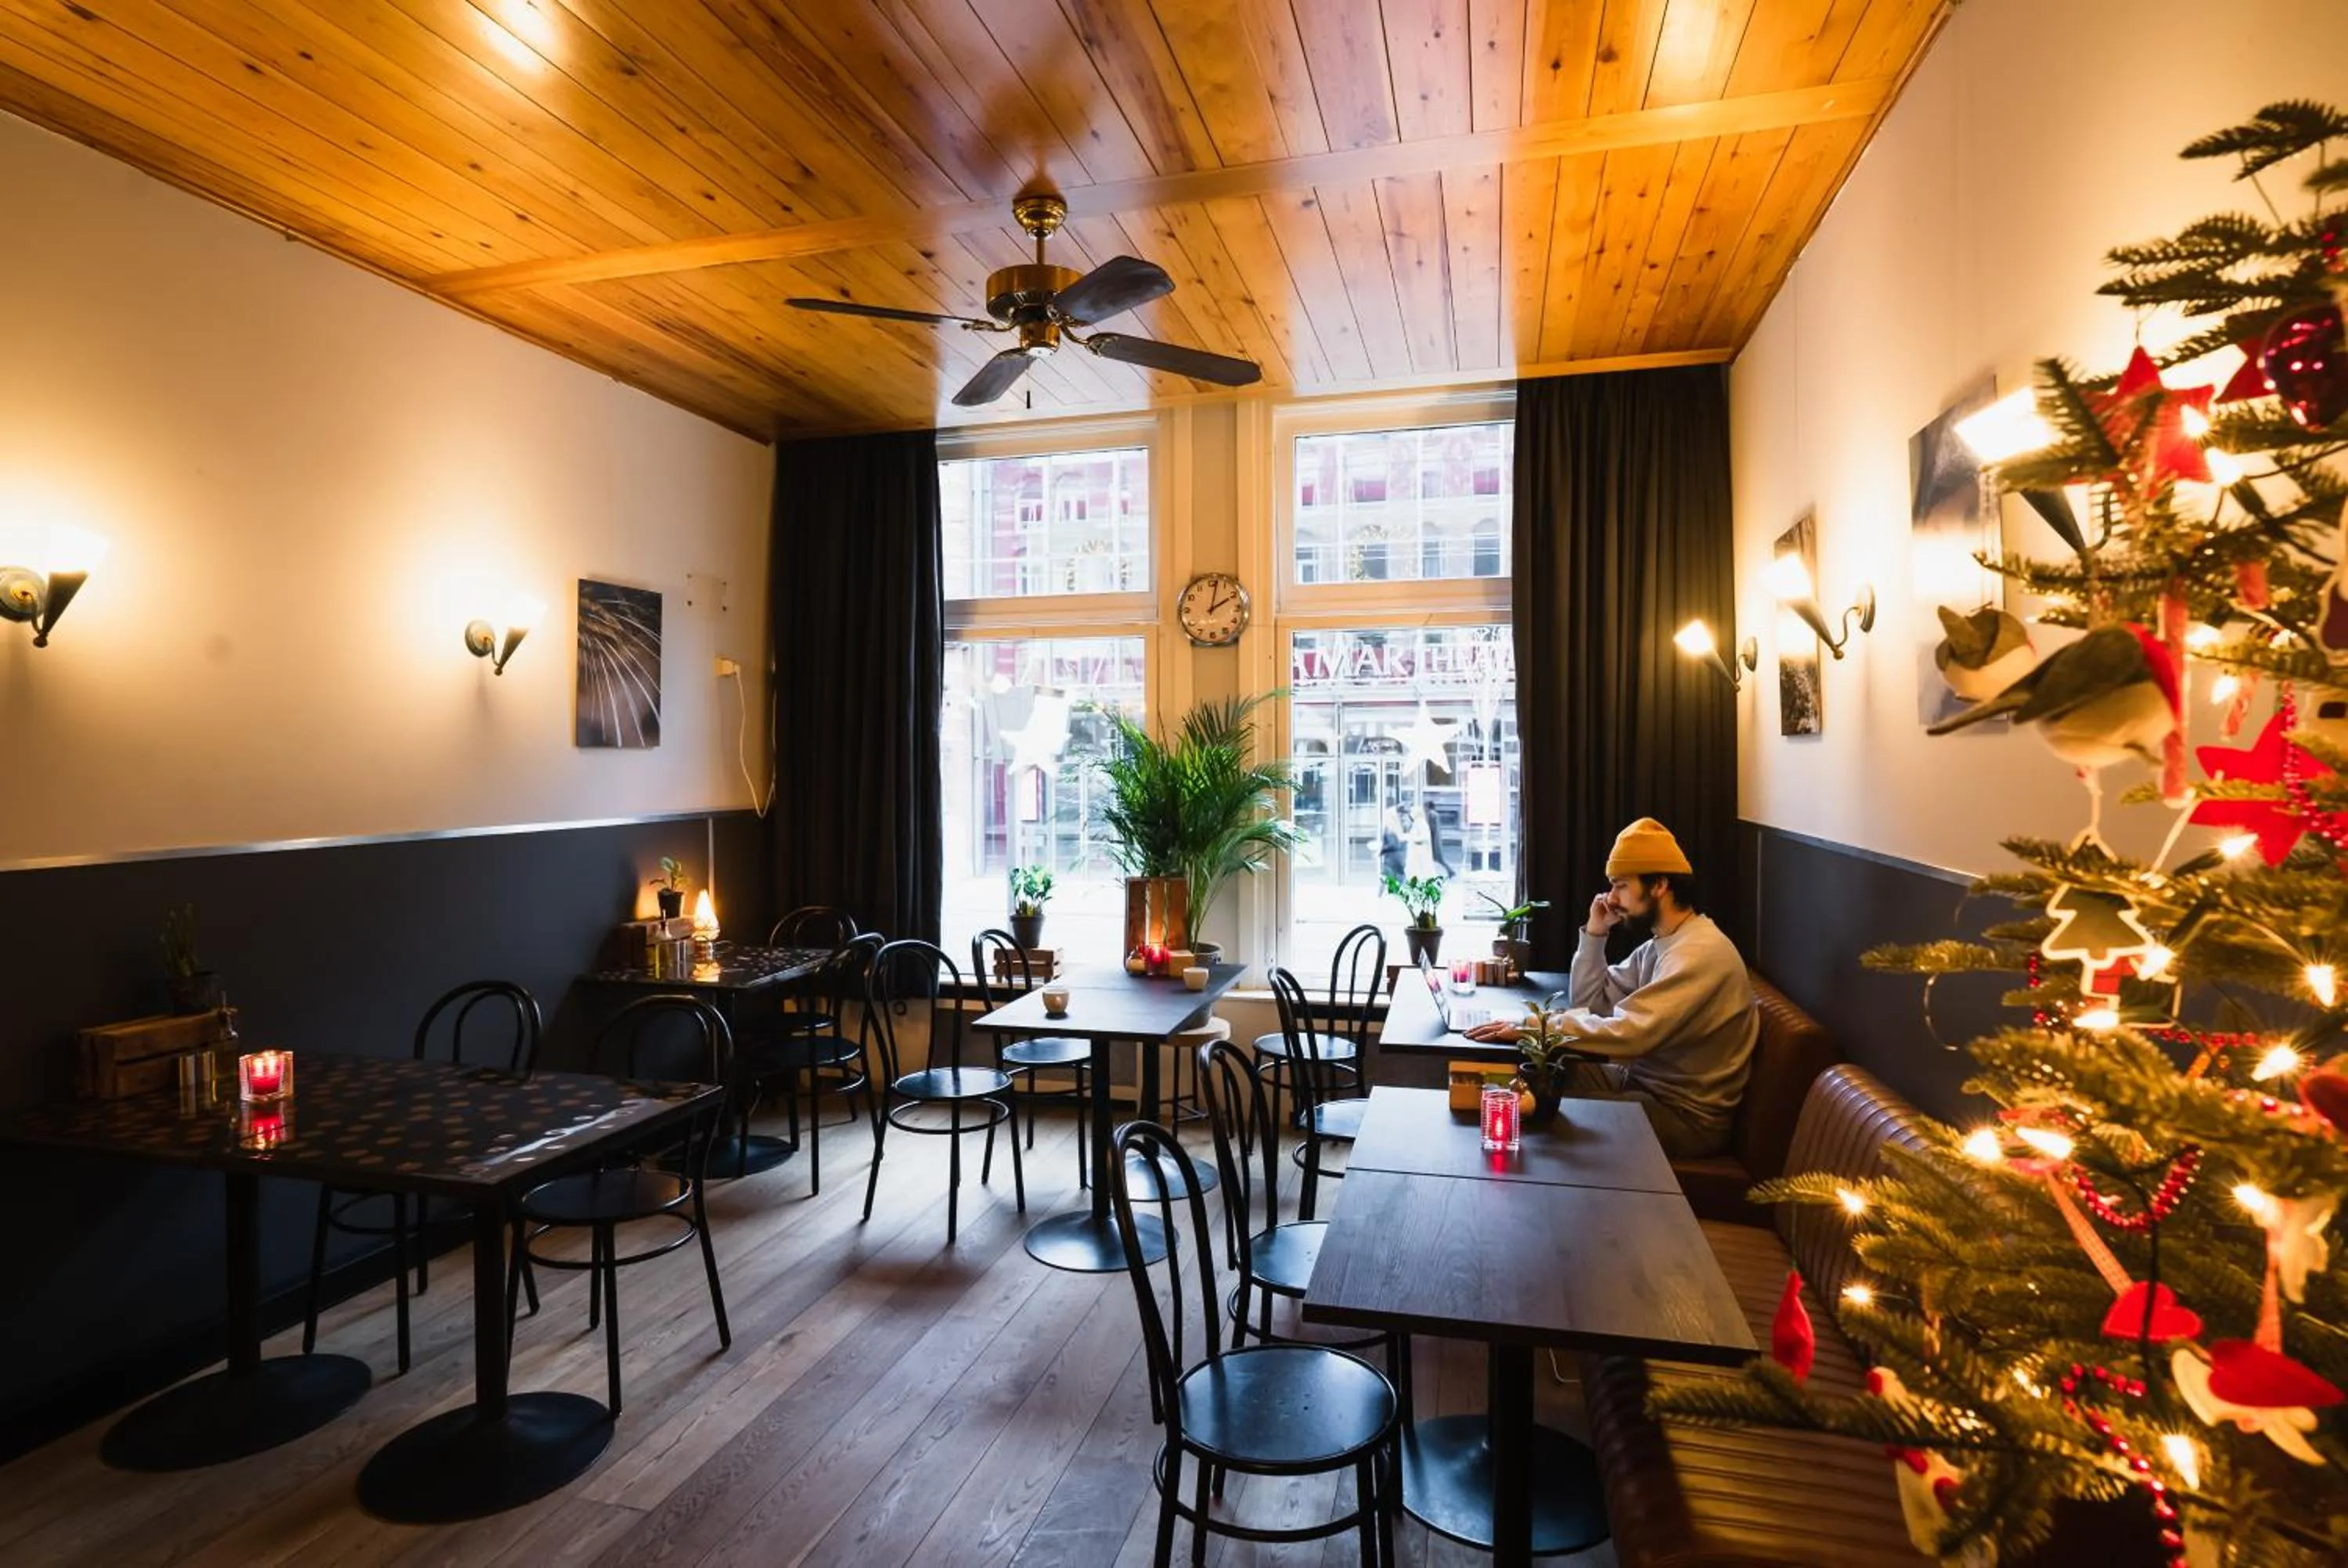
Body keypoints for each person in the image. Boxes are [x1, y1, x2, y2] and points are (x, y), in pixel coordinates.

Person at [1464, 817, 1758, 1159]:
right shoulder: (1663, 944)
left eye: (1621, 886)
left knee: (1547, 1114)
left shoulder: (1698, 953)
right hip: (1640, 1083)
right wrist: (1595, 933)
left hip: (1683, 1116)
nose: (1611, 898)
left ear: (1659, 885)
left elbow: (1630, 1035)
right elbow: (1592, 1002)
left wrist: (1536, 1027)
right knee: (1538, 1079)